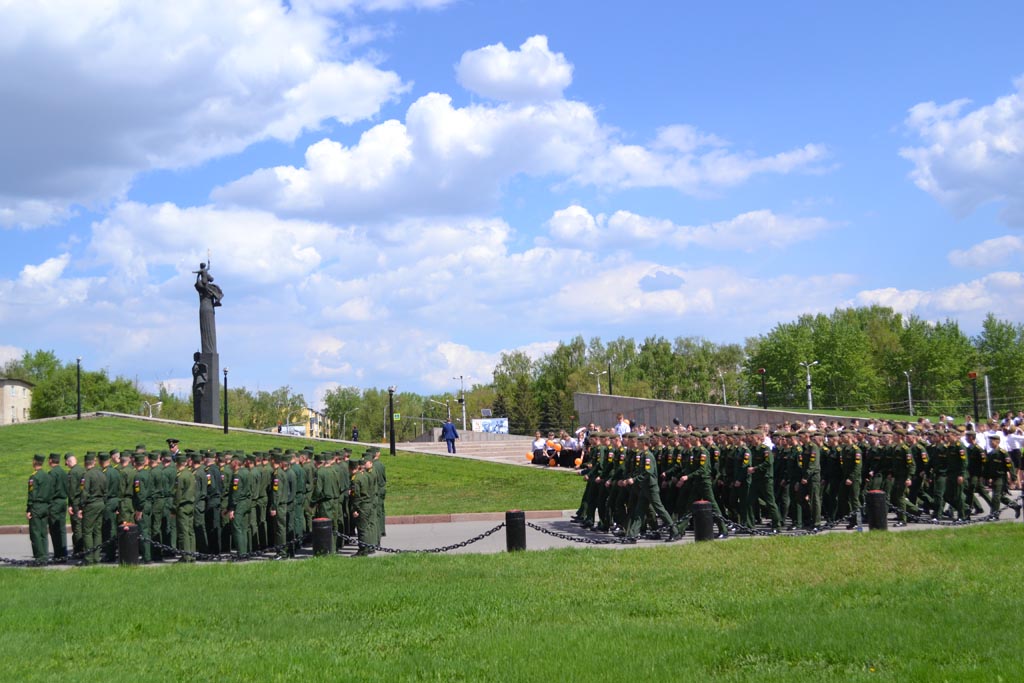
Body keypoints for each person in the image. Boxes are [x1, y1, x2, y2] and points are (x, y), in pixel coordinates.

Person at [27, 454, 52, 562]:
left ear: (34, 462)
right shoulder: (47, 476)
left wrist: (28, 509)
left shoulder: (34, 477)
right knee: (43, 532)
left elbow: (32, 494)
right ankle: (45, 555)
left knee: (35, 532)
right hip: (46, 506)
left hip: (36, 506)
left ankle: (39, 557)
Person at [47, 453, 68, 559]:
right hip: (63, 502)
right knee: (62, 528)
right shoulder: (64, 472)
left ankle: (58, 554)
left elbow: (49, 491)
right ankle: (64, 552)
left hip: (54, 503)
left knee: (54, 529)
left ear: (50, 460)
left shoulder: (52, 473)